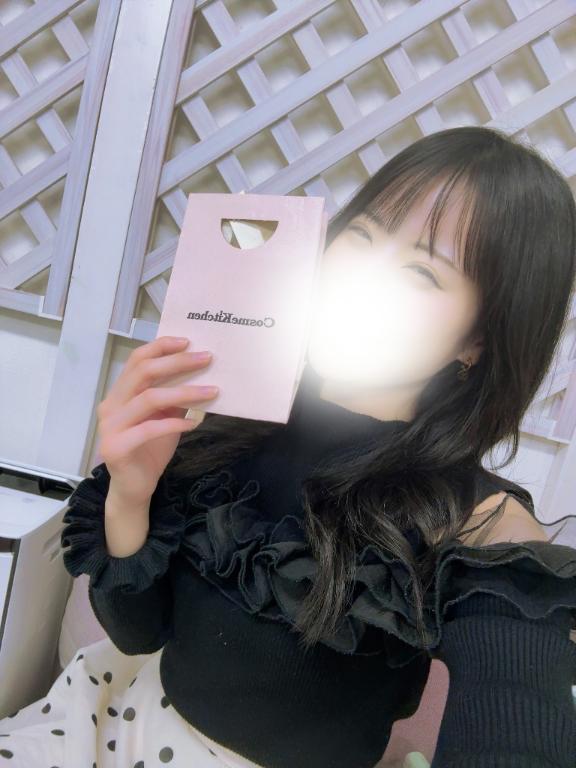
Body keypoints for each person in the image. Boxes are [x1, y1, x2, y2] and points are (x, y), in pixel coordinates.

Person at [1, 125, 575, 768]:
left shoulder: (479, 522)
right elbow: (138, 632)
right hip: (113, 724)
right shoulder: (231, 419)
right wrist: (131, 494)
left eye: (421, 271)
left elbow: (519, 723)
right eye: (362, 235)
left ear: (477, 341)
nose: (360, 273)